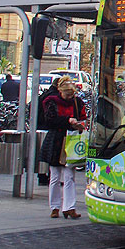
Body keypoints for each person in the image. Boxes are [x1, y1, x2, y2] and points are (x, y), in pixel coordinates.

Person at [39, 76, 87, 218]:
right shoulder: (51, 101)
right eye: (67, 95)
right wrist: (68, 121)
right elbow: (49, 120)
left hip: (71, 140)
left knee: (69, 176)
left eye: (71, 95)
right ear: (60, 91)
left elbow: (83, 117)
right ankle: (55, 207)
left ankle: (69, 207)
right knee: (54, 176)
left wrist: (80, 124)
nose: (69, 98)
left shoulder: (77, 102)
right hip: (57, 140)